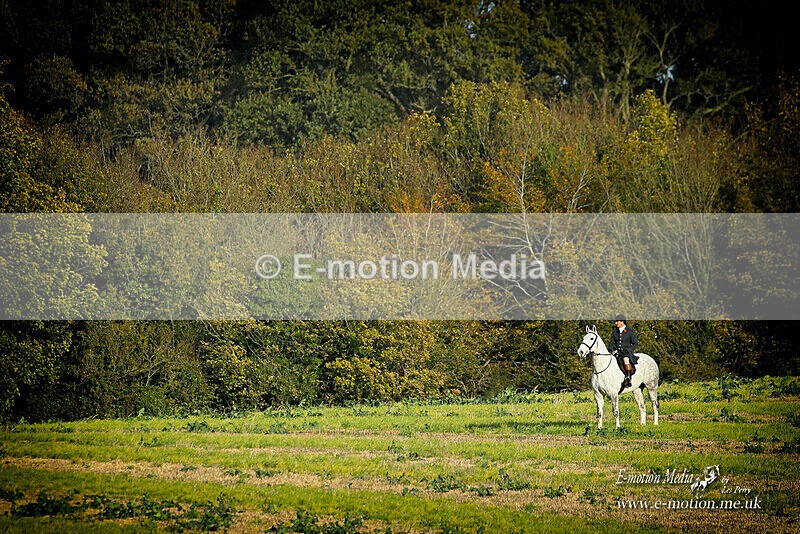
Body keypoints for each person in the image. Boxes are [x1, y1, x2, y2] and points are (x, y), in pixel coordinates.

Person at [610, 314, 638, 393]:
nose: (616, 323)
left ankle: (628, 378)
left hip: (626, 353)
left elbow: (635, 343)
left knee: (626, 360)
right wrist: (611, 350)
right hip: (616, 353)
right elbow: (612, 343)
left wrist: (628, 350)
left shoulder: (629, 331)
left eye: (617, 322)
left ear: (622, 322)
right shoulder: (615, 332)